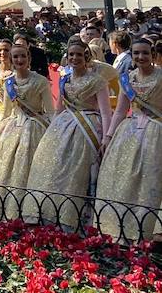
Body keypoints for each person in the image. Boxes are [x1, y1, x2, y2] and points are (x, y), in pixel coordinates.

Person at [24, 38, 112, 229]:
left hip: (88, 128)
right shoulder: (65, 79)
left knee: (77, 172)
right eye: (71, 54)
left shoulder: (97, 80)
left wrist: (106, 138)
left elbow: (106, 112)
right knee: (53, 167)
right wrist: (52, 131)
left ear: (86, 56)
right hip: (63, 126)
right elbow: (59, 109)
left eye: (79, 54)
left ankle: (75, 217)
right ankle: (48, 213)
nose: (74, 58)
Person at [0, 42, 54, 223]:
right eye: (16, 57)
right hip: (11, 126)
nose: (19, 60)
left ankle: (32, 210)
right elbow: (6, 110)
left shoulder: (41, 81)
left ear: (29, 58)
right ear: (11, 60)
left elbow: (50, 111)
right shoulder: (8, 81)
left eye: (23, 56)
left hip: (35, 127)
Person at [95, 39, 162, 240]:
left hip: (157, 131)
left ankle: (151, 229)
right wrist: (108, 136)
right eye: (136, 53)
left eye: (145, 53)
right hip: (130, 131)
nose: (140, 57)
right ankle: (121, 226)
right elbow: (120, 111)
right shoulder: (127, 78)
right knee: (125, 177)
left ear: (152, 55)